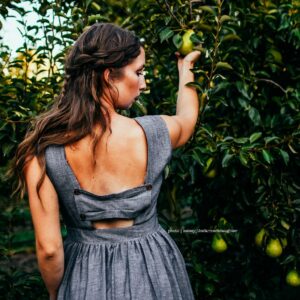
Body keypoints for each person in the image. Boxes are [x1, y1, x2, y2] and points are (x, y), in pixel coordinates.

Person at [13, 22, 201, 300]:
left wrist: (56, 294)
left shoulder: (42, 152)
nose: (144, 82)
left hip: (84, 277)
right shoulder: (153, 133)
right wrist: (186, 69)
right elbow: (187, 119)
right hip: (153, 271)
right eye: (138, 72)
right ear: (108, 76)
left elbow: (49, 249)